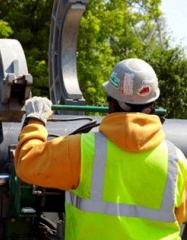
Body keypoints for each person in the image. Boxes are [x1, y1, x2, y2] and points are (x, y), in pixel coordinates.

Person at [14, 58, 187, 239]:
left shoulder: (81, 149)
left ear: (112, 103)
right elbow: (180, 216)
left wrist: (35, 120)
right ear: (153, 105)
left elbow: (28, 163)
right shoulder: (176, 161)